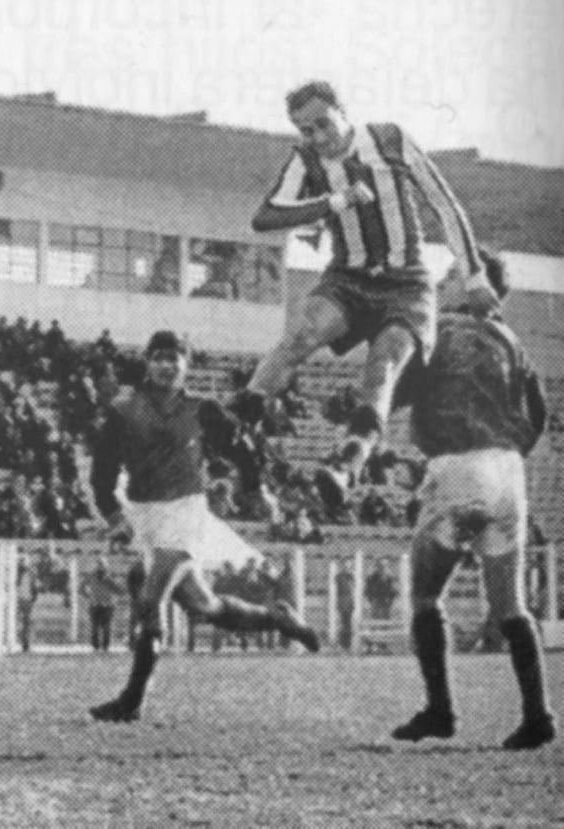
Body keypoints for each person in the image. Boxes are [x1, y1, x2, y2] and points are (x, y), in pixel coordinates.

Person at [242, 80, 496, 516]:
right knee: (302, 335)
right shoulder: (306, 159)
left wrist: (474, 276)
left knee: (383, 365)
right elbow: (266, 216)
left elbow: (444, 204)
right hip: (348, 277)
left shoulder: (390, 139)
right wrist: (333, 201)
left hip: (406, 283)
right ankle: (237, 421)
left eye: (323, 124)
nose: (318, 138)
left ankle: (347, 462)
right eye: (306, 131)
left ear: (344, 111)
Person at [88, 331, 320, 725]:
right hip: (145, 514)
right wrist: (114, 517)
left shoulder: (203, 409)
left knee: (150, 599)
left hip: (186, 512)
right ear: (147, 362)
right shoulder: (123, 409)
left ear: (186, 365)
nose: (167, 364)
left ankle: (132, 699)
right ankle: (278, 616)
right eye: (159, 357)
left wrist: (257, 489)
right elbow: (101, 473)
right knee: (203, 606)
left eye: (175, 357)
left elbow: (242, 447)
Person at [388, 251, 555, 750]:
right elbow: (540, 411)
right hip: (508, 471)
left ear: (472, 286)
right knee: (512, 607)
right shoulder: (512, 339)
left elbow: (399, 389)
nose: (440, 282)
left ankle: (440, 709)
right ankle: (538, 714)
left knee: (424, 595)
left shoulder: (439, 329)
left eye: (450, 276)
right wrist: (510, 448)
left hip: (458, 464)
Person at [84, 557, 117, 653]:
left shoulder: (110, 575)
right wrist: (89, 596)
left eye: (102, 564)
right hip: (96, 604)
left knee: (106, 627)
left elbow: (118, 589)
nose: (101, 567)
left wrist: (110, 581)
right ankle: (96, 647)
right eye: (99, 564)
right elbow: (81, 587)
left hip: (107, 605)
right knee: (95, 627)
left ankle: (105, 647)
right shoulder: (91, 575)